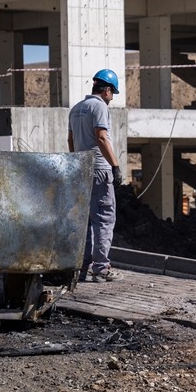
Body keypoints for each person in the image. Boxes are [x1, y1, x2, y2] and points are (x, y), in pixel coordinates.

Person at [68, 69, 123, 283]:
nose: (112, 98)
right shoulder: (99, 107)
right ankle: (101, 268)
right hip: (100, 169)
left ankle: (81, 268)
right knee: (104, 218)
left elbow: (70, 140)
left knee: (86, 221)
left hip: (82, 169)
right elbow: (101, 138)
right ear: (107, 90)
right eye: (113, 93)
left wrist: (77, 163)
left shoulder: (76, 109)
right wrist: (115, 165)